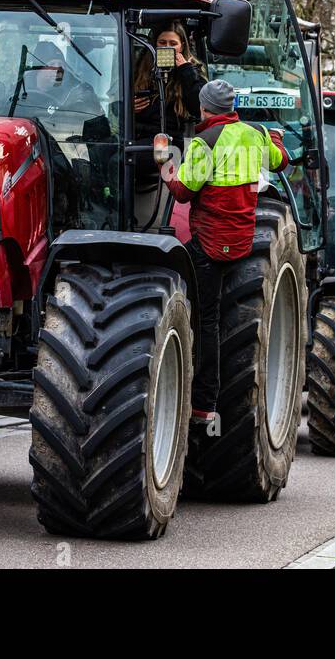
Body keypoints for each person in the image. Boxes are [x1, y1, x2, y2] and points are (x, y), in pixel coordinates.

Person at [160, 79, 288, 423]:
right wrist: (274, 138)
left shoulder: (205, 142)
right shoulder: (253, 134)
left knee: (206, 320)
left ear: (204, 108)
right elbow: (280, 160)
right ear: (231, 108)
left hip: (209, 244)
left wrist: (164, 161)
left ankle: (203, 403)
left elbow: (183, 192)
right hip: (243, 242)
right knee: (225, 318)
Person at [132, 23, 207, 229]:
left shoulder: (192, 72)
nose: (167, 47)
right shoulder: (141, 69)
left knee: (125, 159)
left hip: (171, 143)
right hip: (139, 137)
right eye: (162, 43)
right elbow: (115, 104)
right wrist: (129, 107)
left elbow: (199, 106)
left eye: (172, 43)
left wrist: (185, 70)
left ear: (182, 46)